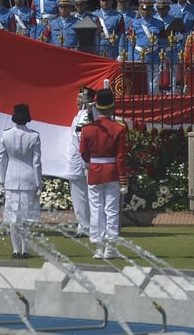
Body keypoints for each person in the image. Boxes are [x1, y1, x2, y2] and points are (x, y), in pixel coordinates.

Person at [79, 88, 129, 259]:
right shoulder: (119, 128)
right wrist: (124, 180)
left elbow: (84, 154)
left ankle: (99, 247)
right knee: (111, 210)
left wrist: (92, 164)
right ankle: (110, 247)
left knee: (96, 210)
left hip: (94, 172)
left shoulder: (87, 129)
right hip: (112, 173)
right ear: (112, 107)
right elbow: (121, 157)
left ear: (97, 107)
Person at [0, 103, 42, 259]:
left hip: (11, 177)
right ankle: (25, 249)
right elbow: (37, 162)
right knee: (26, 216)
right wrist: (39, 183)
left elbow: (1, 160)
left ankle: (16, 249)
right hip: (28, 177)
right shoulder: (34, 135)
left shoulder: (6, 134)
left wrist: (1, 181)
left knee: (13, 217)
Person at [67, 87, 94, 237]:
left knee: (90, 193)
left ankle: (90, 225)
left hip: (84, 160)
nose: (77, 100)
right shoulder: (78, 114)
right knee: (78, 194)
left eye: (80, 97)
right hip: (76, 160)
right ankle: (83, 224)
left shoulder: (87, 115)